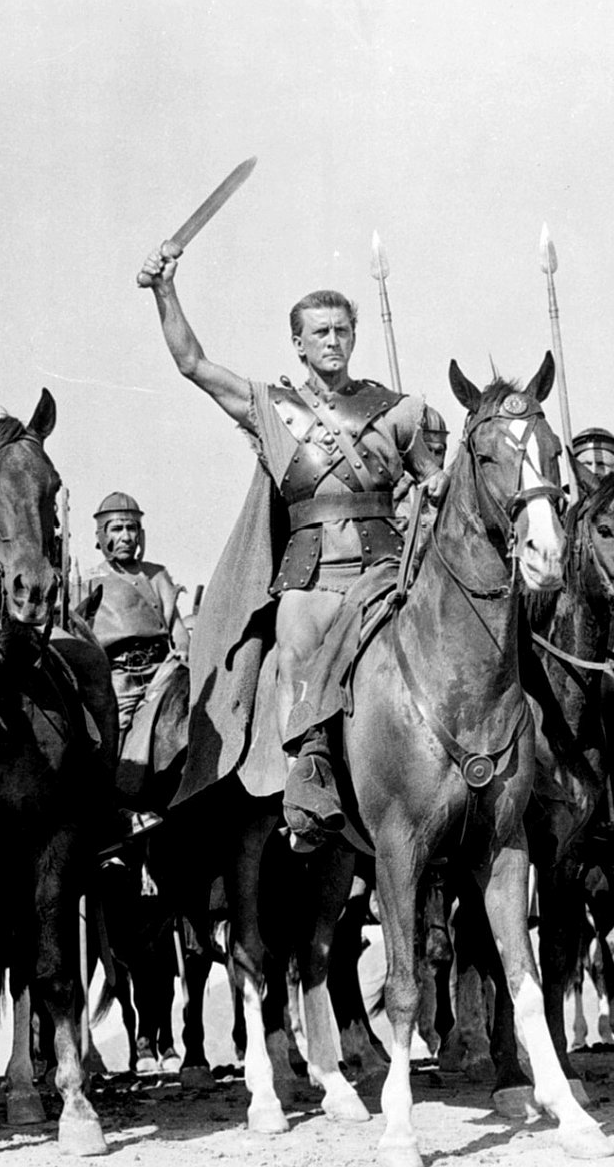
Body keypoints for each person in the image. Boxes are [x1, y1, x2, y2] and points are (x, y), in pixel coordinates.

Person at [138, 241, 445, 850]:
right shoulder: (271, 409)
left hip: (387, 572)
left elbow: (436, 480)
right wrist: (164, 291)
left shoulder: (400, 411)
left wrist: (436, 481)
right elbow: (193, 363)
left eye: (342, 331)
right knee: (298, 639)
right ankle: (310, 771)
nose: (333, 341)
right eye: (320, 333)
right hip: (312, 579)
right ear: (298, 345)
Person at [82, 492, 189, 738]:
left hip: (163, 671)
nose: (126, 536)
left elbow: (178, 629)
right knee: (114, 734)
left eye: (131, 528)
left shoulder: (157, 575)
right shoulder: (88, 581)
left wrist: (183, 648)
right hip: (119, 679)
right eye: (116, 529)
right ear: (102, 535)